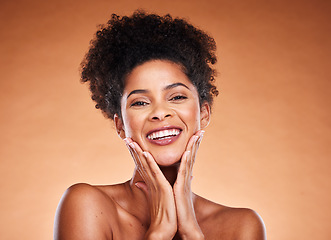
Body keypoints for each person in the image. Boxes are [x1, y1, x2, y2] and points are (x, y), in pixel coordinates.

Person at [54, 10, 266, 240]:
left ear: (204, 113)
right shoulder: (88, 206)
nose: (159, 113)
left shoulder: (240, 227)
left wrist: (192, 234)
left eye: (176, 97)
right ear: (120, 125)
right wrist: (158, 233)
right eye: (140, 102)